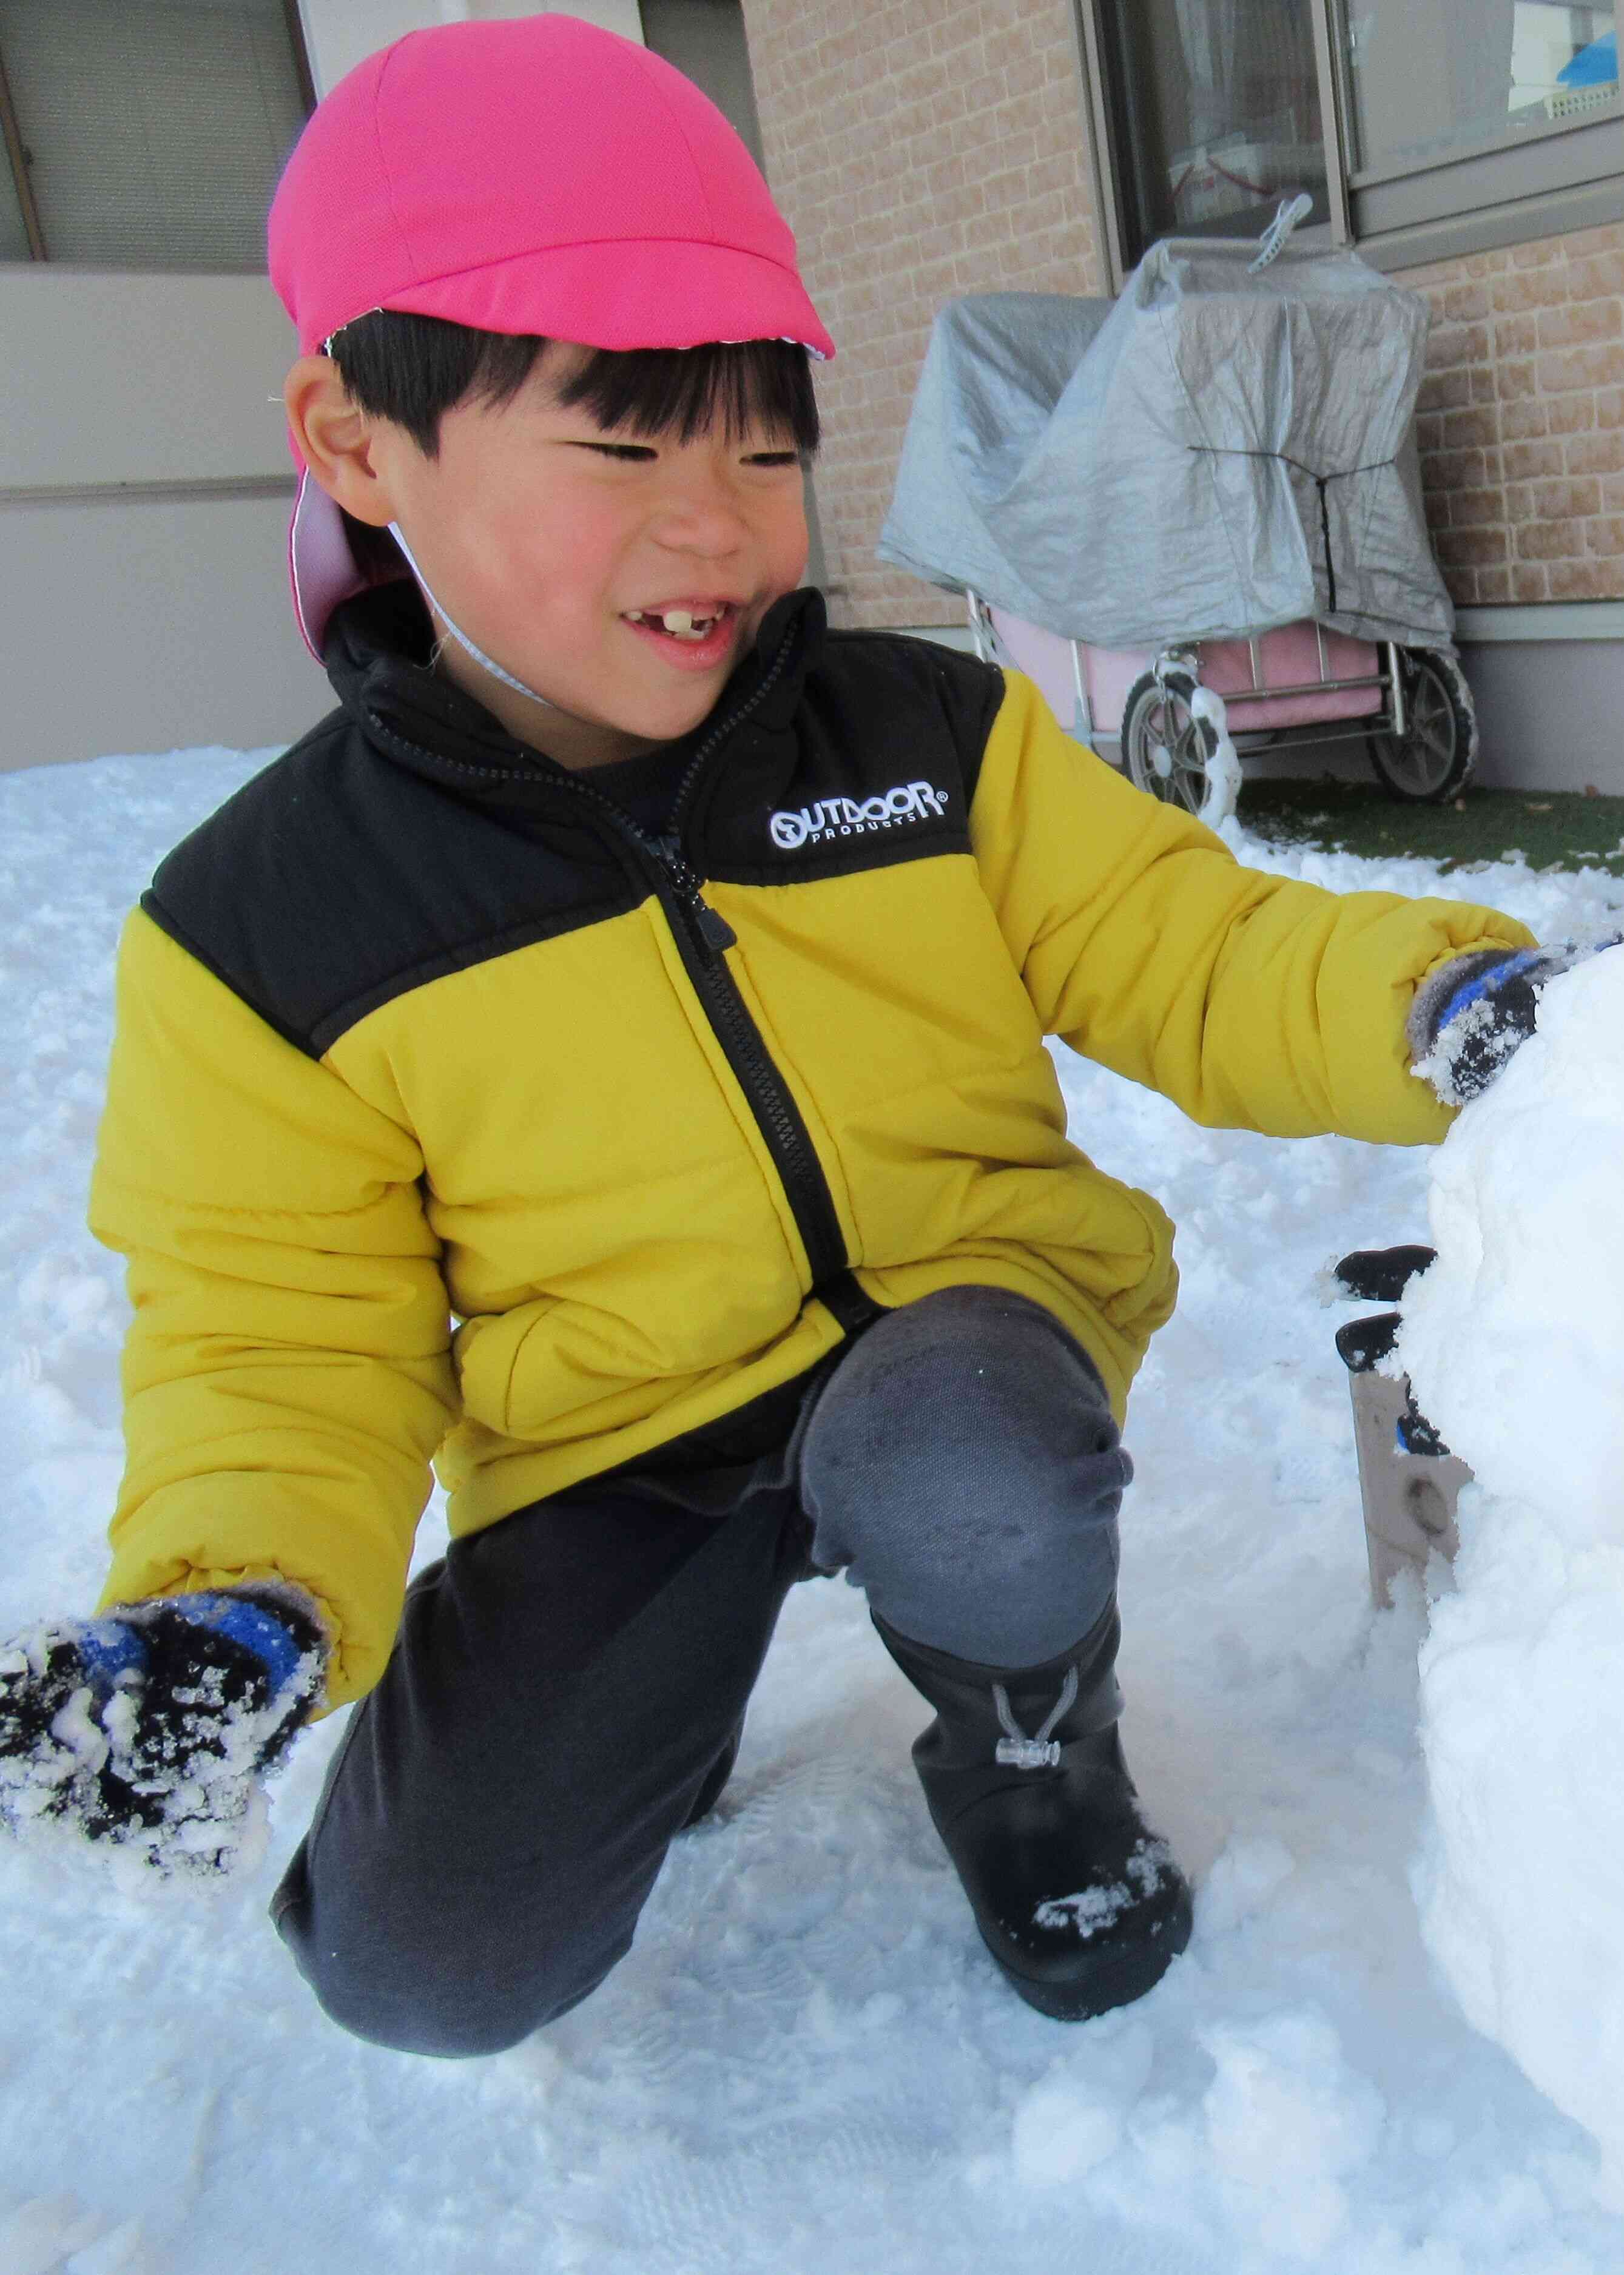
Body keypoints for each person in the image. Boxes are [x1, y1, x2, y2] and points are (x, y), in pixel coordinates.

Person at [0, 16, 1538, 2052]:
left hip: (959, 1352)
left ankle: (1028, 1744)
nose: (718, 524)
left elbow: (1196, 949)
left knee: (978, 1475)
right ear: (358, 441)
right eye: (625, 446)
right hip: (619, 1448)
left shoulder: (922, 741)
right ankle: (656, 1680)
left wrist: (1444, 1001)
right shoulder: (269, 924)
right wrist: (238, 1600)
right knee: (427, 1967)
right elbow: (279, 1335)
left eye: (763, 446)